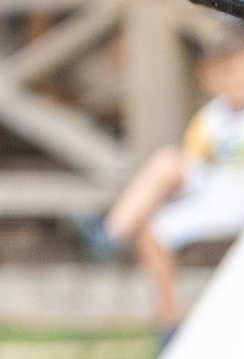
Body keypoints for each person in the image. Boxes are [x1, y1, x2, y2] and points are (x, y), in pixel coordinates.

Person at [103, 33, 244, 332]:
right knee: (152, 226)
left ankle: (109, 232)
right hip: (220, 194)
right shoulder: (211, 118)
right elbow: (195, 164)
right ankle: (171, 324)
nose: (234, 81)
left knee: (167, 162)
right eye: (226, 73)